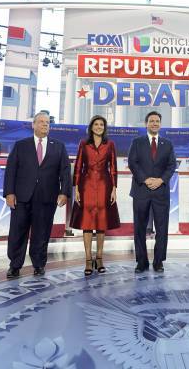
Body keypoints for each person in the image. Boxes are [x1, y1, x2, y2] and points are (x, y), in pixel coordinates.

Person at [3, 111, 71, 278]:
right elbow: (11, 170)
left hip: (47, 197)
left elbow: (65, 171)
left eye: (47, 122)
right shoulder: (21, 145)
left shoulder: (58, 146)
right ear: (33, 124)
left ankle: (39, 265)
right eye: (41, 122)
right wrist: (9, 193)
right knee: (18, 232)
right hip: (21, 197)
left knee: (42, 233)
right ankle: (15, 265)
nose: (44, 125)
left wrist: (64, 193)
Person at [70, 115, 120, 275]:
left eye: (101, 125)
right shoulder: (83, 144)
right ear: (91, 127)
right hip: (86, 185)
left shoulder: (110, 144)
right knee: (87, 223)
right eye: (96, 124)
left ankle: (99, 258)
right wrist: (76, 187)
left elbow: (113, 167)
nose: (99, 127)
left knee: (101, 223)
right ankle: (88, 260)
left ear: (104, 128)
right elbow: (78, 165)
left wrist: (114, 188)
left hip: (105, 185)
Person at [128, 111, 176, 273]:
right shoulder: (137, 142)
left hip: (161, 191)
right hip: (141, 190)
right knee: (139, 228)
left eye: (157, 121)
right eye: (151, 121)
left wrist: (161, 180)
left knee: (162, 228)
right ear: (146, 124)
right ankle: (141, 262)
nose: (154, 123)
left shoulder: (168, 144)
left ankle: (158, 261)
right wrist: (145, 179)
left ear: (160, 124)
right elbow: (133, 163)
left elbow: (171, 166)